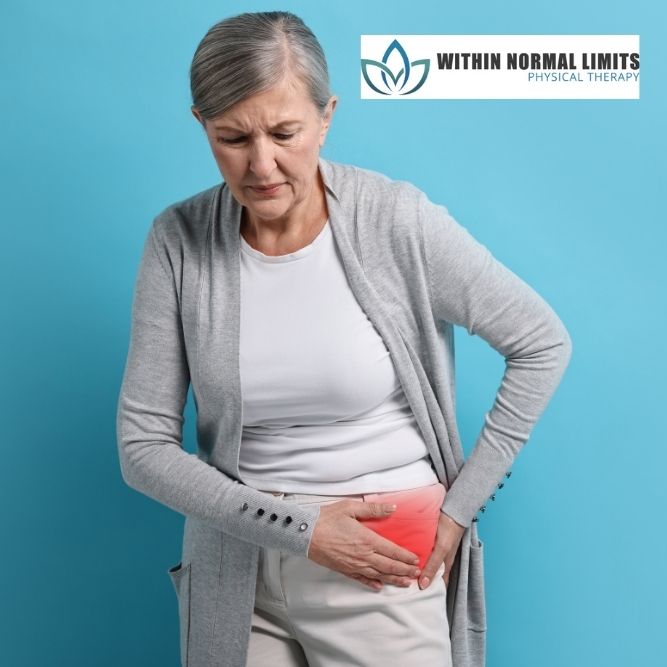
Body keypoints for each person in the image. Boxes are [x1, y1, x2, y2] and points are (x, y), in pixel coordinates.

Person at [116, 10, 572, 667]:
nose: (261, 163)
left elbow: (541, 341)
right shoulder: (177, 240)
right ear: (200, 126)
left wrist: (459, 509)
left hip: (382, 561)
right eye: (232, 137)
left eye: (285, 131)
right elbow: (141, 447)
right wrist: (299, 529)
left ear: (327, 116)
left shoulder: (396, 222)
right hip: (239, 569)